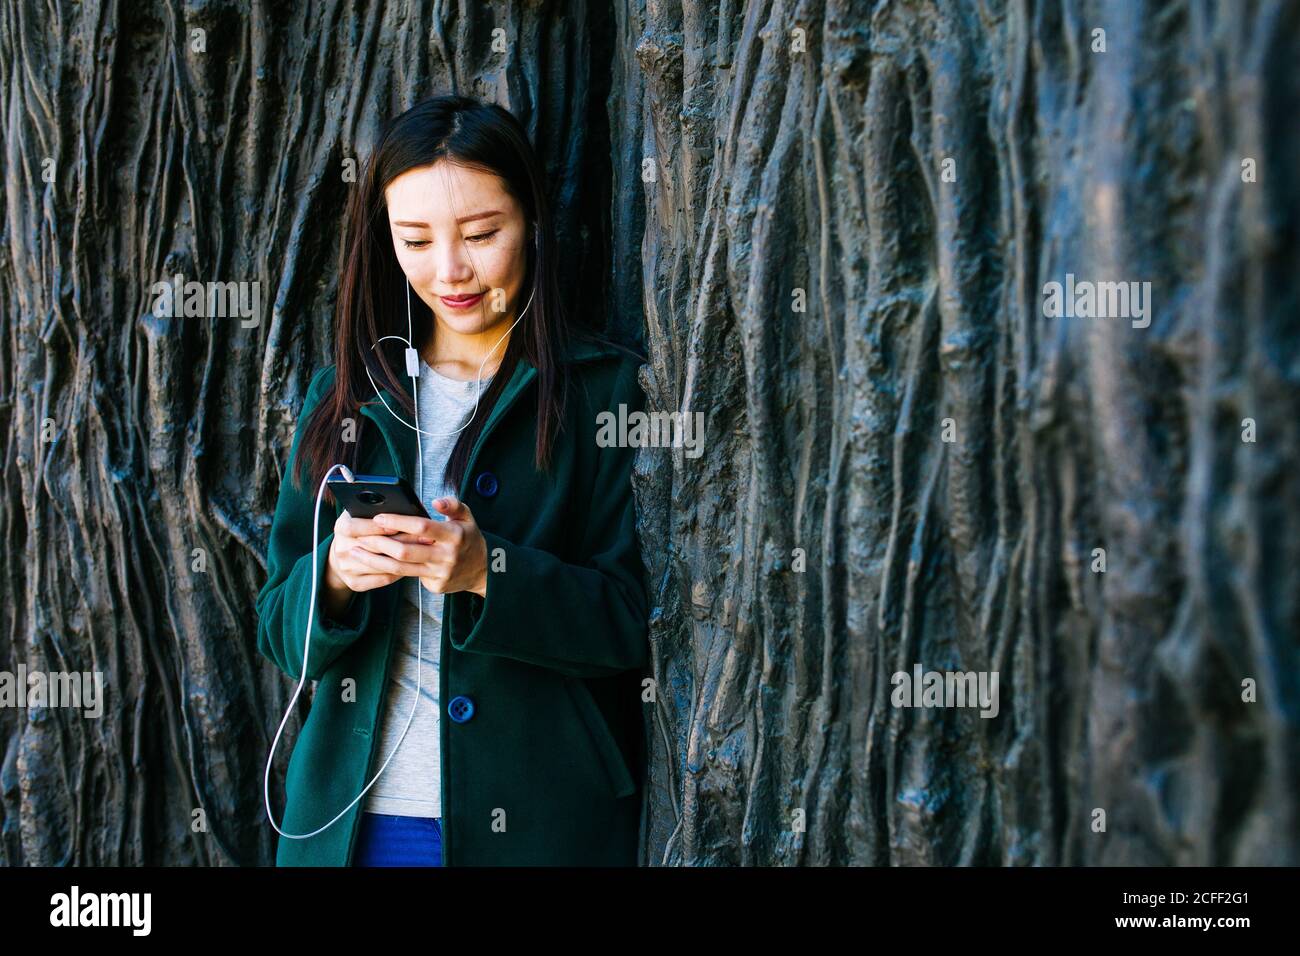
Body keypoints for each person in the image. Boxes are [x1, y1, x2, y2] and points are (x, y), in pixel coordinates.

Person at [255, 94, 650, 866]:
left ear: (532, 221)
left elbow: (631, 621)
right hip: (352, 823)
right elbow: (277, 624)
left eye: (480, 235)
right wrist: (332, 578)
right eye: (415, 240)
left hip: (537, 824)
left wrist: (486, 573)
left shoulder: (605, 392)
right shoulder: (348, 393)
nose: (450, 271)